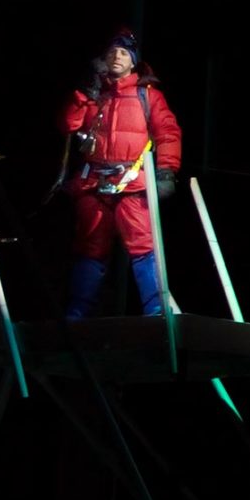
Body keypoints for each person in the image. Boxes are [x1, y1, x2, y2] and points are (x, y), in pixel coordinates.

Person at [61, 27, 183, 319]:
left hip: (132, 184)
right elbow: (68, 124)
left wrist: (166, 171)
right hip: (94, 183)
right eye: (112, 52)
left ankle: (156, 312)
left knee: (144, 246)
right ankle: (76, 315)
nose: (117, 57)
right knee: (89, 248)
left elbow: (168, 133)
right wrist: (84, 92)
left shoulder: (148, 96)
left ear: (133, 61)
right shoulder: (94, 95)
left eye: (124, 53)